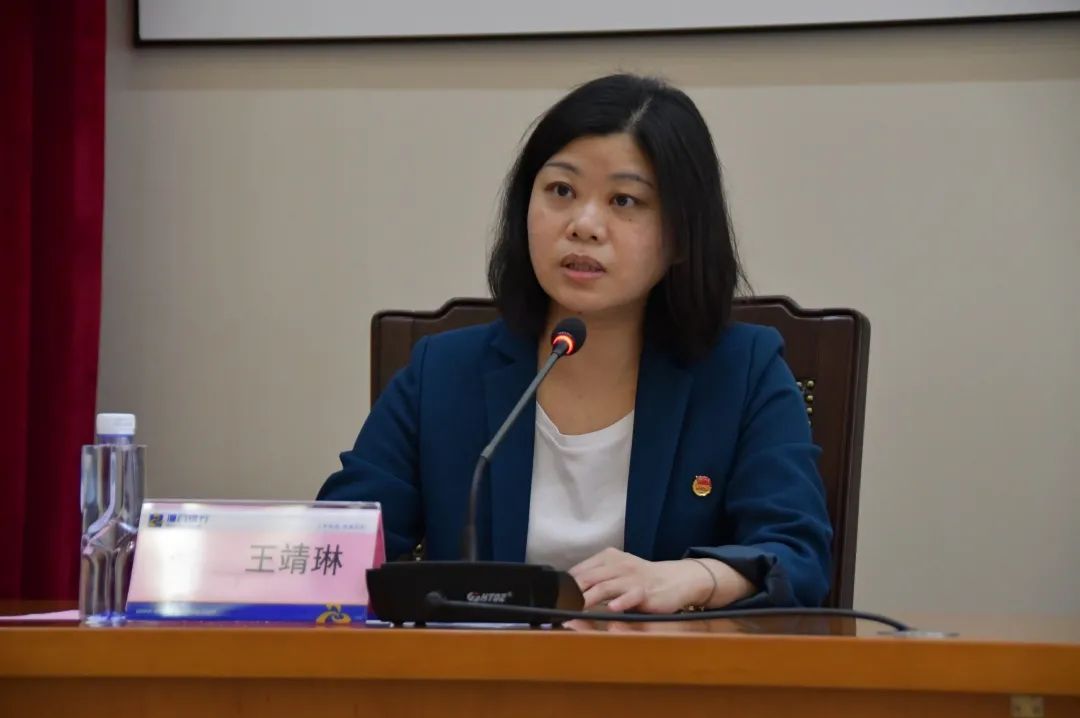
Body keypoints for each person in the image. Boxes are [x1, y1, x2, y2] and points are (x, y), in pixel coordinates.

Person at [318, 74, 831, 612]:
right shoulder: (443, 373)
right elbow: (338, 548)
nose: (584, 225)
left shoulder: (742, 373)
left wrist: (694, 577)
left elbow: (797, 557)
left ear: (682, 235)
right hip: (483, 665)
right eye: (561, 191)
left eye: (625, 200)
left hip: (665, 665)